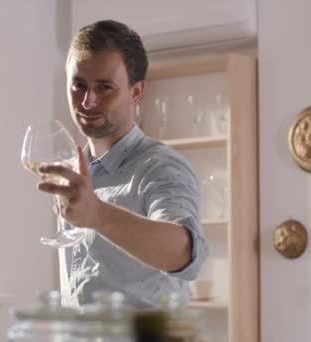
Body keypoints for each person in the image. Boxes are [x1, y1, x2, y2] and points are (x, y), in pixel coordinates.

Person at [37, 20, 208, 308]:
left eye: (104, 88)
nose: (88, 101)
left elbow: (184, 253)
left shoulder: (161, 168)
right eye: (78, 86)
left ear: (136, 92)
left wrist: (99, 216)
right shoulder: (77, 171)